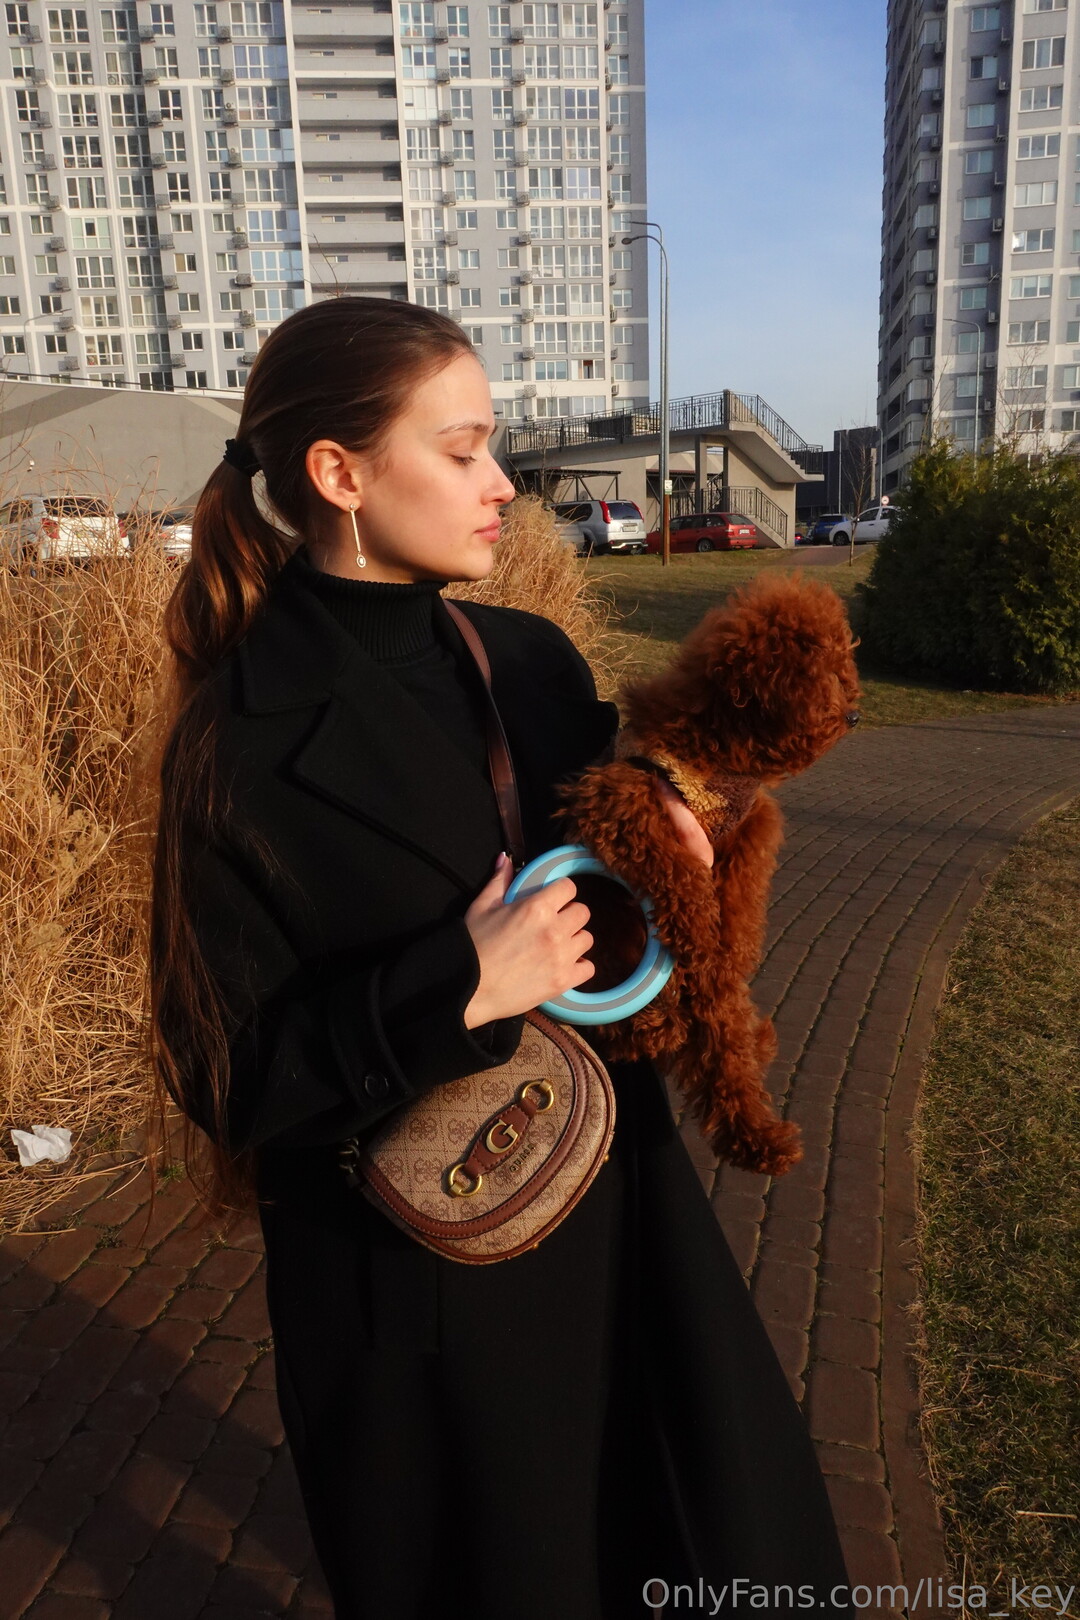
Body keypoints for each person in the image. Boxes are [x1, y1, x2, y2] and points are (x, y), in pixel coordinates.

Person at [149, 296, 853, 1619]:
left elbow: (624, 875)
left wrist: (690, 828)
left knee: (697, 1530)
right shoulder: (238, 744)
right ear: (340, 474)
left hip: (615, 1203)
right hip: (426, 1283)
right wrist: (462, 984)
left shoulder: (523, 660)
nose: (501, 488)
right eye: (463, 449)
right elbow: (232, 1081)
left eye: (495, 449)